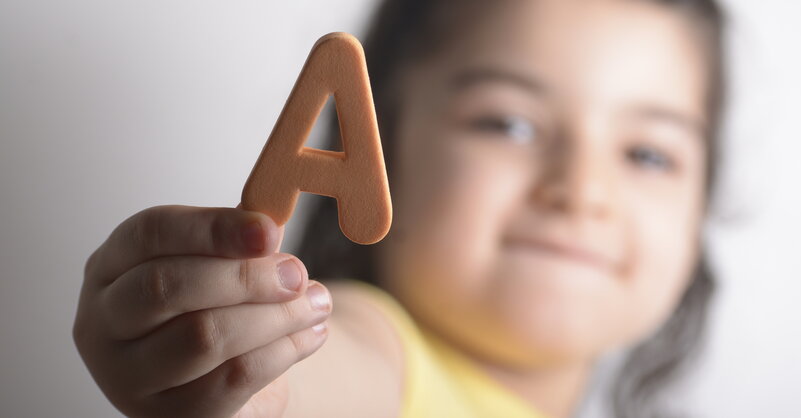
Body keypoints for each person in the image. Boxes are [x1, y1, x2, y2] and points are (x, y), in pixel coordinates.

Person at [73, 0, 726, 416]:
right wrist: (248, 387)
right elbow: (307, 387)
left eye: (647, 155)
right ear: (379, 142)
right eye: (508, 124)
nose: (581, 191)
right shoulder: (373, 348)